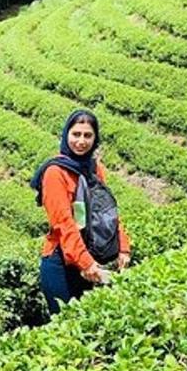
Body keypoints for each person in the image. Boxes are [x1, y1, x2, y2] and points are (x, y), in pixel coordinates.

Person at [30, 109, 131, 316]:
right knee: (67, 326)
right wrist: (86, 263)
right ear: (66, 135)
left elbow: (106, 212)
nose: (81, 141)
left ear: (95, 139)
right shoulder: (55, 172)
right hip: (62, 264)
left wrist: (124, 246)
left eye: (87, 135)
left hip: (88, 260)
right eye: (76, 134)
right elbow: (63, 224)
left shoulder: (95, 168)